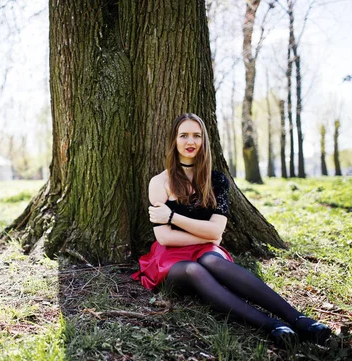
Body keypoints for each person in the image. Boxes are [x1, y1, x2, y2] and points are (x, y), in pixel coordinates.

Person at [132, 113, 331, 347]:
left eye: (196, 136)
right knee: (195, 270)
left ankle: (298, 319)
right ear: (174, 141)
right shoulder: (160, 182)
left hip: (207, 250)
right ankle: (271, 325)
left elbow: (217, 233)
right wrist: (206, 232)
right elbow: (165, 237)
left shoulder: (216, 181)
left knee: (212, 262)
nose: (190, 142)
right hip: (170, 258)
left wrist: (173, 216)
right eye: (183, 135)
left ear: (204, 141)